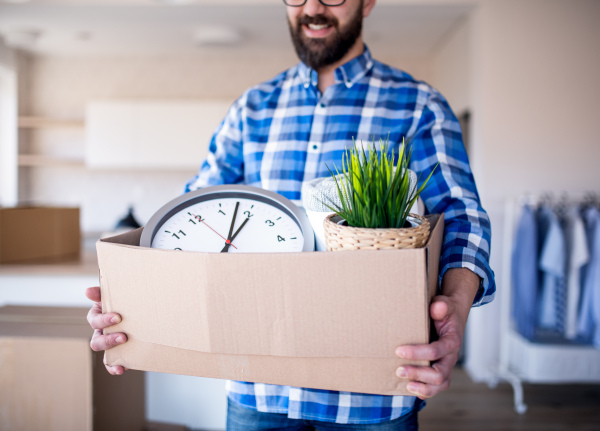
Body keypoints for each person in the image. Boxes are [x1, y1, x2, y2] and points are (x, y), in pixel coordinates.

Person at [86, 0, 495, 429]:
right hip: (257, 390)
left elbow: (461, 217)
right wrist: (128, 303)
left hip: (373, 392)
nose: (313, 7)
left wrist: (456, 311)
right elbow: (188, 216)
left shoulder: (418, 105)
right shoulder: (251, 110)